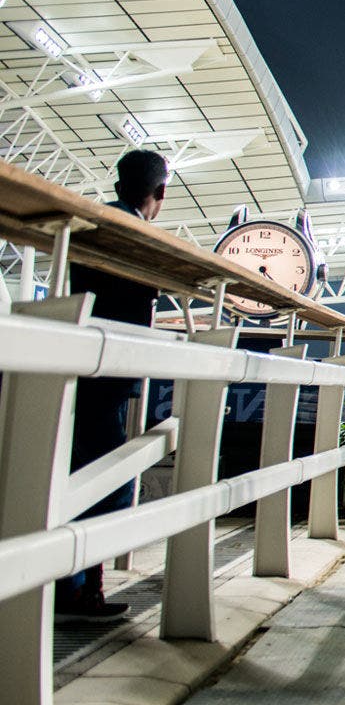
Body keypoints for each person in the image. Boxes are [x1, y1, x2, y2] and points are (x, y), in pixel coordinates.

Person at [53, 148, 167, 619]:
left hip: (77, 363)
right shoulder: (136, 231)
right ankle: (79, 589)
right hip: (111, 369)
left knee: (74, 472)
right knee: (110, 483)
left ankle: (67, 581)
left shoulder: (93, 222)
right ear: (159, 192)